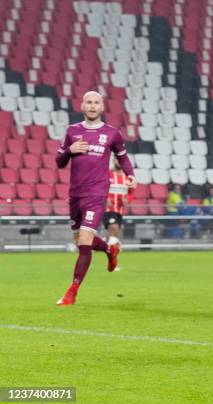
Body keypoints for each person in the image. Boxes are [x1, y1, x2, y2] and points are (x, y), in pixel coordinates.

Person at [56, 91, 137, 306]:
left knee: (84, 242)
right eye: (89, 102)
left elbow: (123, 157)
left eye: (96, 102)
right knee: (80, 241)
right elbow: (59, 162)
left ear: (102, 107)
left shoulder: (112, 133)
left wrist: (131, 175)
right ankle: (110, 249)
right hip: (75, 194)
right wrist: (69, 151)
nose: (92, 106)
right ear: (82, 106)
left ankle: (71, 292)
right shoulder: (72, 131)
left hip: (97, 193)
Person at [104, 157, 132, 243]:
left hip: (120, 209)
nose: (119, 161)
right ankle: (112, 247)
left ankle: (105, 246)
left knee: (114, 230)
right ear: (113, 160)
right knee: (114, 227)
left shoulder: (128, 177)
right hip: (108, 209)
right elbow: (100, 187)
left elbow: (131, 193)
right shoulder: (107, 174)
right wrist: (105, 198)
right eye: (117, 159)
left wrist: (127, 200)